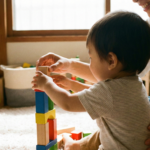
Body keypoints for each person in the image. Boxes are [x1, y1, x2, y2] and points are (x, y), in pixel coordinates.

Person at [32, 11, 150, 150]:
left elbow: (68, 103)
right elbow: (99, 98)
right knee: (100, 135)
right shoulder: (134, 83)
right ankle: (76, 146)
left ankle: (74, 147)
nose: (90, 63)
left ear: (111, 60)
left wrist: (46, 84)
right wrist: (71, 83)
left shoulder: (109, 91)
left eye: (91, 58)